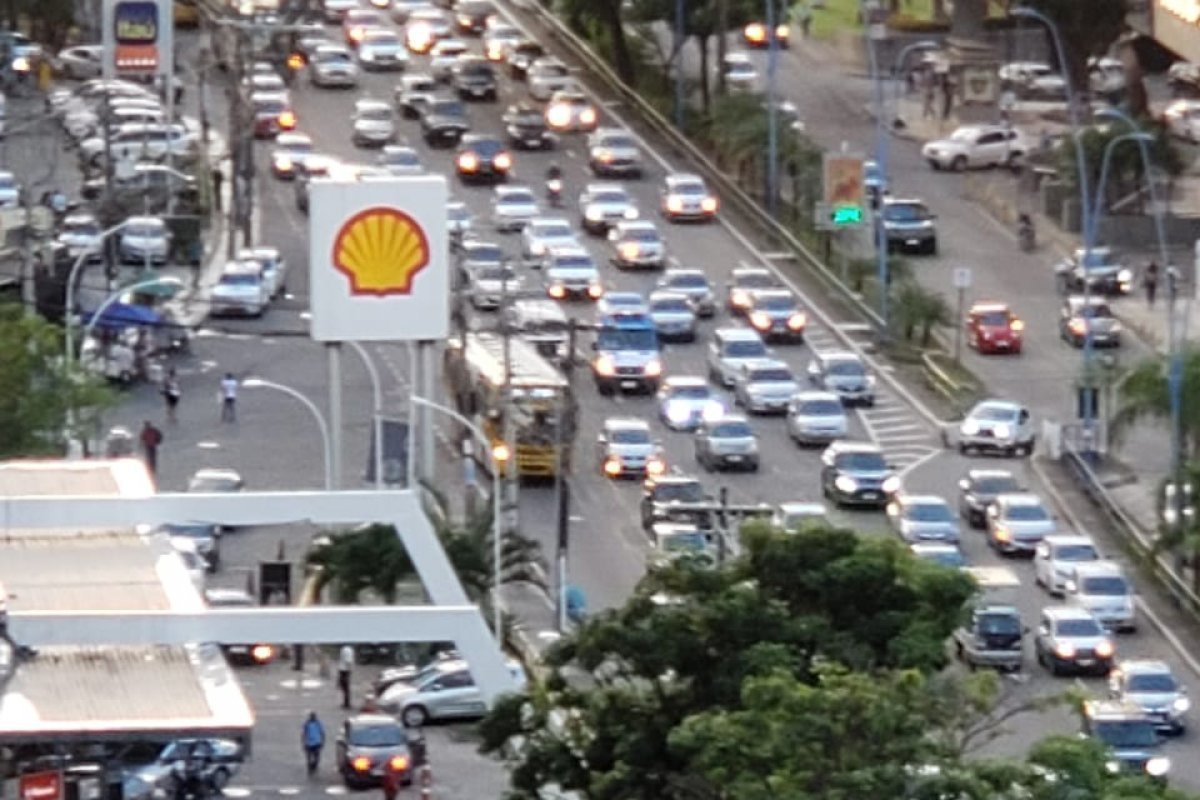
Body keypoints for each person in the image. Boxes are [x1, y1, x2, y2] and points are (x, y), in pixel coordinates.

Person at [302, 711, 325, 777]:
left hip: (317, 742)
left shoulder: (318, 723)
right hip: (309, 743)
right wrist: (304, 742)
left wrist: (322, 741)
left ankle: (314, 765)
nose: (313, 717)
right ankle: (310, 767)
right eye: (312, 716)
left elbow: (322, 733)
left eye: (314, 716)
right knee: (309, 757)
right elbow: (304, 733)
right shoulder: (307, 724)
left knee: (316, 757)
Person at [337, 644, 354, 709]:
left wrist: (349, 670)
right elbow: (348, 661)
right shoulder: (348, 649)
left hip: (343, 670)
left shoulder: (345, 649)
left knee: (345, 687)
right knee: (345, 687)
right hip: (345, 670)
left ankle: (346, 702)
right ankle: (346, 702)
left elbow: (347, 661)